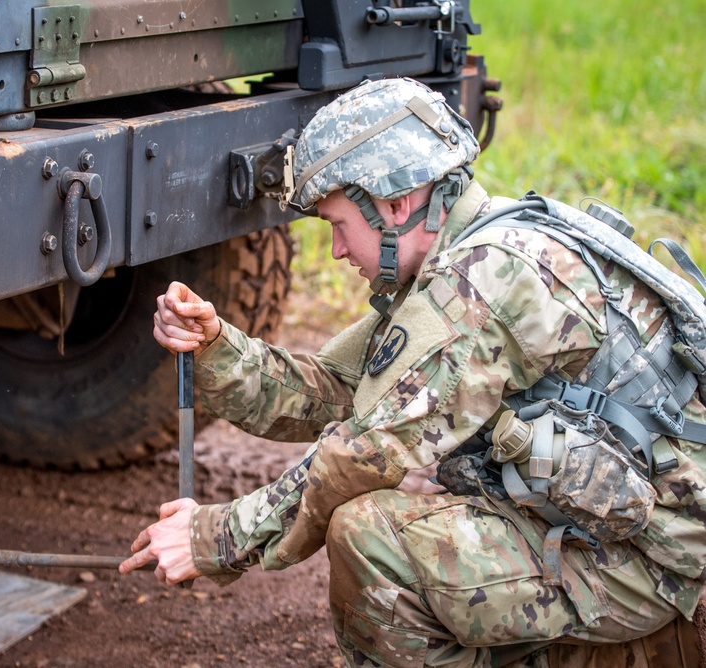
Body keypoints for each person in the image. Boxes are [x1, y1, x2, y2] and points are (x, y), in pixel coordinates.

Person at [119, 77, 706, 666]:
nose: (337, 253)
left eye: (337, 225)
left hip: (653, 559)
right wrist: (216, 347)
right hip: (610, 523)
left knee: (371, 538)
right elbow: (335, 393)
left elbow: (363, 451)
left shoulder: (485, 284)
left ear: (395, 204)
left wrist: (215, 538)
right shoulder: (462, 257)